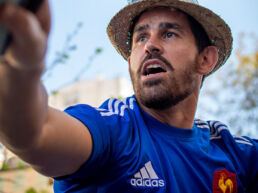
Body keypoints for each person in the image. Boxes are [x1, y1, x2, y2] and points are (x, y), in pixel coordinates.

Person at [0, 0, 257, 192]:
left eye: (169, 33)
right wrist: (21, 69)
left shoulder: (234, 154)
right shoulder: (113, 130)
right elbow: (36, 134)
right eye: (141, 37)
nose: (150, 45)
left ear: (205, 59)